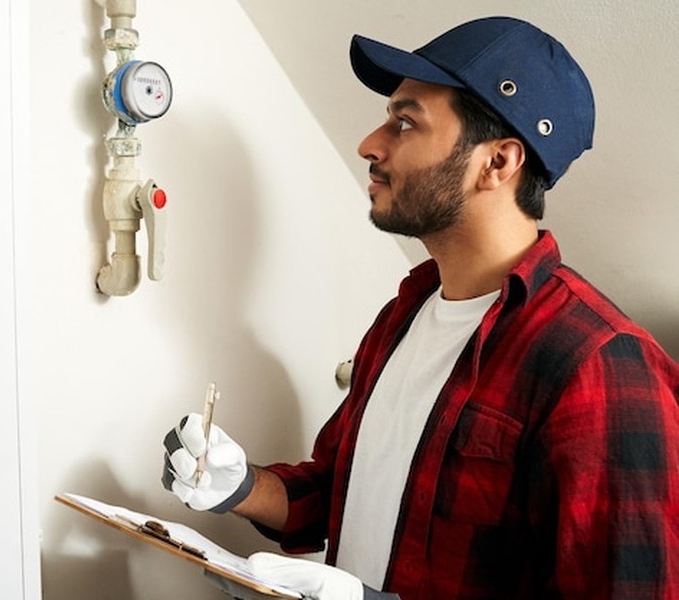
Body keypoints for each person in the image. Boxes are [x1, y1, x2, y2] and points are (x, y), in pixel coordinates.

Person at [162, 16, 679, 600]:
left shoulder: (599, 363)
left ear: (498, 163)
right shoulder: (405, 314)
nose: (369, 144)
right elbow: (341, 490)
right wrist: (240, 487)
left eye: (405, 122)